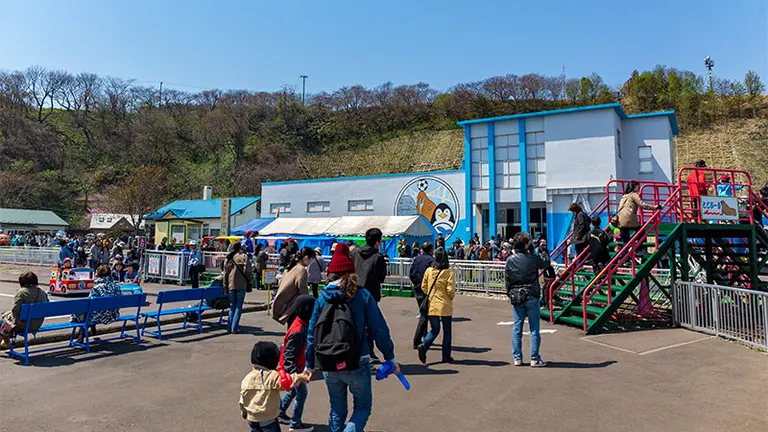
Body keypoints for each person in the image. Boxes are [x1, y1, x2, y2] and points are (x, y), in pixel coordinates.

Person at [304, 242, 398, 432]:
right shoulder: (361, 294)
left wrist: (309, 363)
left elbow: (312, 332)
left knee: (336, 409)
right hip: (357, 359)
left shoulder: (322, 297)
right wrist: (389, 357)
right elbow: (378, 328)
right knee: (362, 407)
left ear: (330, 273)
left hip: (328, 360)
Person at [240, 341, 309, 432]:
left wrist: (244, 412)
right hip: (268, 418)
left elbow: (243, 397)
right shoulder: (271, 375)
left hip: (252, 418)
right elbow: (286, 382)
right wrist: (300, 377)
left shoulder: (247, 378)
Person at [505, 232, 550, 367]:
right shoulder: (533, 258)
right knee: (534, 328)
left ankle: (517, 357)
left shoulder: (510, 260)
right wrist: (543, 251)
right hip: (531, 294)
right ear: (525, 244)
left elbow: (507, 279)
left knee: (517, 327)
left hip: (517, 295)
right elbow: (546, 263)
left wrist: (510, 293)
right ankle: (534, 358)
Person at [277, 295, 316, 432]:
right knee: (302, 393)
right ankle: (295, 424)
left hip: (296, 366)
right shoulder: (298, 330)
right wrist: (295, 375)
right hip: (292, 368)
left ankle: (280, 411)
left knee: (294, 390)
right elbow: (288, 355)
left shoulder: (302, 324)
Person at [350, 227, 387, 362]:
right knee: (370, 324)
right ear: (377, 242)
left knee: (355, 322)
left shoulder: (354, 253)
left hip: (353, 291)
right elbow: (381, 277)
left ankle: (357, 350)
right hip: (371, 294)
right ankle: (369, 352)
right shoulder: (378, 257)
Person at [416, 248, 456, 364]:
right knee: (447, 331)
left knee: (435, 329)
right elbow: (450, 290)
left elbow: (423, 286)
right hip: (445, 305)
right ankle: (446, 356)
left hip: (432, 303)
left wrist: (430, 293)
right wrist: (450, 296)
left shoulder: (429, 271)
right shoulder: (448, 272)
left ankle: (424, 345)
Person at [72, 264, 122, 343]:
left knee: (83, 313)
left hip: (99, 316)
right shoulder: (116, 286)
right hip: (113, 314)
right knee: (91, 311)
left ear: (98, 274)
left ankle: (81, 335)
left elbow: (89, 303)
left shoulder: (97, 287)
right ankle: (90, 327)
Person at [0, 272, 50, 349]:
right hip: (37, 324)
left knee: (2, 321)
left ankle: (6, 341)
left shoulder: (21, 292)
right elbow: (47, 306)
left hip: (24, 326)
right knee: (7, 317)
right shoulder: (42, 292)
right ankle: (6, 341)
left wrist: (5, 315)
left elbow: (15, 311)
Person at [272, 247, 314, 326]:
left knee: (291, 328)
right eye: (311, 260)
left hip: (284, 303)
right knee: (296, 329)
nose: (311, 263)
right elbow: (302, 289)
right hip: (294, 305)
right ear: (306, 258)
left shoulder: (291, 267)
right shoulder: (301, 270)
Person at [617, 181, 663, 247]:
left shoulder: (624, 196)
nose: (639, 187)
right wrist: (656, 207)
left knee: (625, 241)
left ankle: (624, 256)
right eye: (638, 186)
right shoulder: (634, 195)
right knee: (641, 232)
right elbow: (643, 205)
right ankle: (638, 248)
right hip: (629, 219)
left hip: (620, 220)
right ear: (634, 187)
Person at [409, 242, 435, 349]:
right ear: (430, 250)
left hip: (417, 289)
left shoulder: (417, 259)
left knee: (423, 312)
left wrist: (416, 283)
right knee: (425, 316)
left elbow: (411, 273)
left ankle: (425, 336)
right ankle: (417, 340)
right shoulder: (431, 260)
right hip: (426, 290)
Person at [223, 242, 253, 334]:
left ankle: (229, 327)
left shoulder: (228, 258)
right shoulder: (244, 257)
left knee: (232, 307)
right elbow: (248, 271)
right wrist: (250, 281)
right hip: (241, 284)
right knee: (238, 307)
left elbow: (225, 274)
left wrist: (225, 286)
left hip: (231, 284)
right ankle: (234, 328)